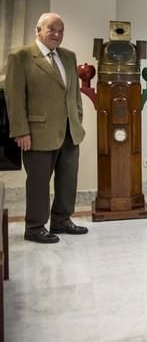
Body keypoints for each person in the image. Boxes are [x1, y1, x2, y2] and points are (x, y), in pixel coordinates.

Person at [5, 13, 87, 244]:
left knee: (68, 180)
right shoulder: (20, 57)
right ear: (38, 30)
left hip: (71, 131)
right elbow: (14, 97)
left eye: (61, 30)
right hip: (37, 133)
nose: (57, 34)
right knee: (39, 183)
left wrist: (78, 119)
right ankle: (34, 228)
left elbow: (73, 94)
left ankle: (61, 221)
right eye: (52, 29)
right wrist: (20, 131)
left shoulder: (69, 57)